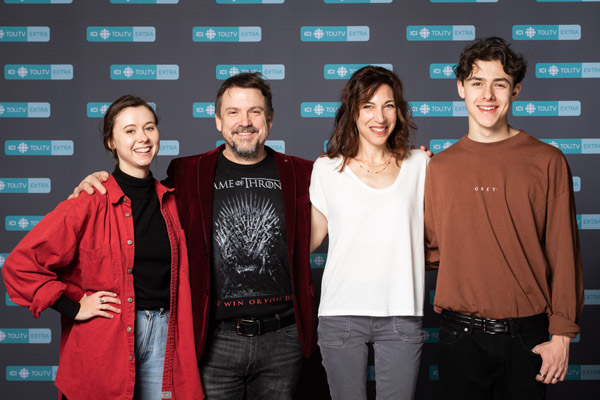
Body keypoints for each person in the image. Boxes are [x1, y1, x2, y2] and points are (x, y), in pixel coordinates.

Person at [70, 73, 317, 400]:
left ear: (270, 119)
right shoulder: (186, 172)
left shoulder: (305, 172)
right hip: (213, 338)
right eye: (233, 112)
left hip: (282, 337)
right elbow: (142, 197)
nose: (244, 122)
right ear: (217, 120)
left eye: (255, 112)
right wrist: (101, 181)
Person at [2, 95, 203, 400]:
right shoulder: (88, 201)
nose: (143, 138)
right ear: (112, 141)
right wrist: (74, 306)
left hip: (165, 336)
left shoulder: (174, 202)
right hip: (105, 339)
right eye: (130, 130)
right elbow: (20, 266)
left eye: (149, 128)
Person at [424, 37, 584, 400]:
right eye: (478, 82)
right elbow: (431, 252)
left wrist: (560, 337)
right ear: (461, 87)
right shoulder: (438, 167)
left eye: (500, 84)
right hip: (458, 337)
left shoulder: (548, 161)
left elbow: (564, 254)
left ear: (516, 91)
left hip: (528, 337)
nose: (488, 95)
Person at [310, 66, 429, 400]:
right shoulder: (327, 169)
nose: (380, 116)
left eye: (388, 105)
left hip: (402, 313)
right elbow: (310, 237)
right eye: (368, 105)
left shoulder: (420, 165)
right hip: (340, 314)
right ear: (353, 112)